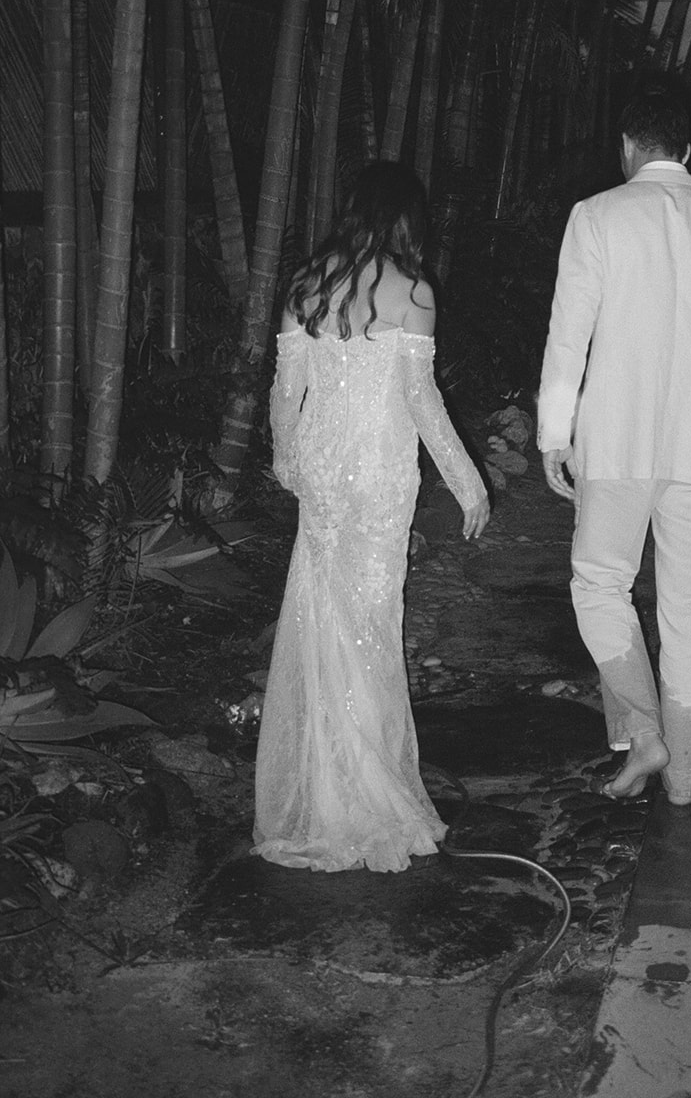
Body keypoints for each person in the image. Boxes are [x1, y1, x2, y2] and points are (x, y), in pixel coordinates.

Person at [536, 83, 691, 805]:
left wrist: (555, 433)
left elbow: (568, 337)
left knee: (599, 584)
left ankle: (643, 729)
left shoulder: (595, 216)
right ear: (687, 149)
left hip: (615, 441)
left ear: (627, 147)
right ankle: (683, 781)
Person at [254, 162, 489, 872]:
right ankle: (366, 792)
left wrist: (286, 461)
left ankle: (327, 786)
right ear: (405, 219)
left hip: (324, 474)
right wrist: (468, 484)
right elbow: (422, 400)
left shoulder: (306, 285)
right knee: (372, 625)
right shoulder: (412, 291)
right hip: (381, 476)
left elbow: (285, 391)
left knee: (322, 619)